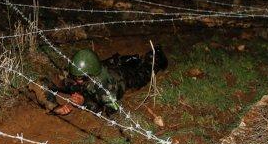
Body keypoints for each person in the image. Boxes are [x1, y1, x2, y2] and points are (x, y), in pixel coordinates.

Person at [31, 46, 167, 115]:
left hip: (122, 78)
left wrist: (85, 102)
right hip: (105, 66)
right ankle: (128, 59)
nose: (78, 81)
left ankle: (156, 54)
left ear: (92, 75)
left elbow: (111, 110)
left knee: (144, 73)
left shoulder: (105, 87)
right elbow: (40, 82)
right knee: (116, 61)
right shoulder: (73, 73)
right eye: (76, 77)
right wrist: (54, 107)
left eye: (82, 78)